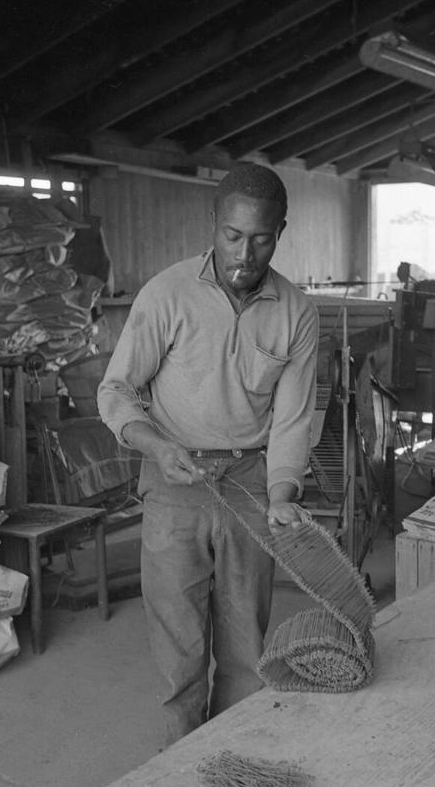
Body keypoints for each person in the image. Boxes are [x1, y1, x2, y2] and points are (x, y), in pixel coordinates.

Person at [97, 162, 319, 743]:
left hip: (250, 485)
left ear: (282, 231)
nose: (246, 254)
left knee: (248, 650)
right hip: (173, 483)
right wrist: (155, 444)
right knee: (180, 651)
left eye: (262, 238)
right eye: (233, 236)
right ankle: (181, 773)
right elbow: (116, 390)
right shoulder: (166, 294)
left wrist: (282, 493)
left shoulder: (296, 313)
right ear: (213, 224)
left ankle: (231, 763)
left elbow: (292, 421)